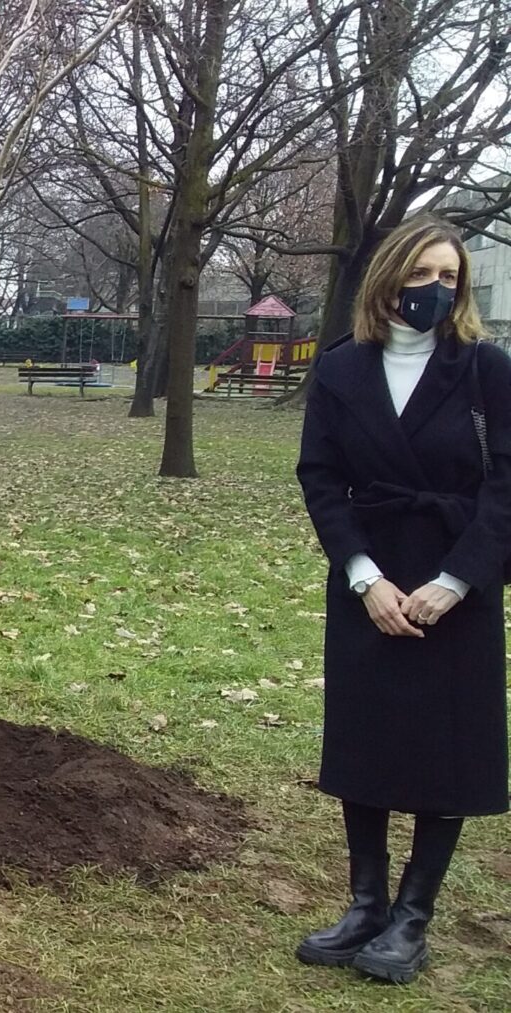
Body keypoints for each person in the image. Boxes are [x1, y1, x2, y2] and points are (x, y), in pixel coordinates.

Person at [295, 216, 510, 985]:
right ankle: (365, 904)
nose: (436, 290)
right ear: (390, 274)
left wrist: (456, 582)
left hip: (458, 581)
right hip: (370, 579)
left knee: (444, 748)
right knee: (367, 740)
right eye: (422, 273)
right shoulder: (341, 370)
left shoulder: (488, 369)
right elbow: (320, 476)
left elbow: (506, 486)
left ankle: (412, 918)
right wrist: (363, 575)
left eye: (450, 278)